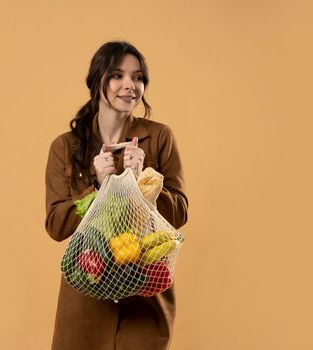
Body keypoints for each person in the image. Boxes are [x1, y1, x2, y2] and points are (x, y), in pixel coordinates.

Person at [44, 40, 188, 350]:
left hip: (146, 289)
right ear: (98, 80)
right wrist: (95, 185)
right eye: (117, 75)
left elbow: (180, 213)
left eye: (137, 77)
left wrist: (144, 186)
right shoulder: (64, 147)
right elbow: (56, 225)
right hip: (87, 287)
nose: (129, 86)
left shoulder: (160, 137)